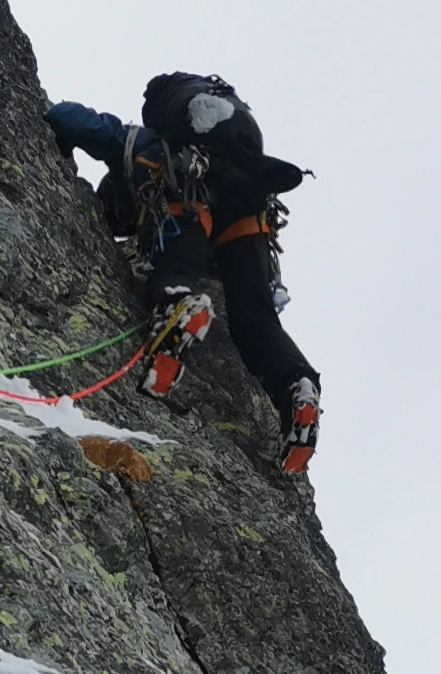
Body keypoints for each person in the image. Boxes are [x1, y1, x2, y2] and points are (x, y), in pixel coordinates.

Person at [48, 71, 323, 478]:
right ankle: (295, 384)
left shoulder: (144, 147)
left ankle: (179, 302)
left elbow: (68, 116)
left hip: (189, 183)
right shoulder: (190, 139)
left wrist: (56, 135)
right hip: (250, 199)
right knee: (255, 317)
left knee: (181, 237)